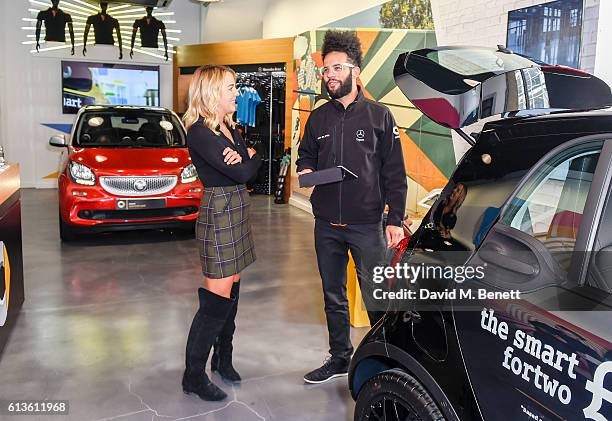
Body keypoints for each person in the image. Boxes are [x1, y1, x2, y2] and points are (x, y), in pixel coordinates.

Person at [297, 30, 407, 384]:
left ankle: (384, 362)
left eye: (337, 68)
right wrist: (307, 171)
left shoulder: (380, 117)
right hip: (326, 224)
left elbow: (394, 172)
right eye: (326, 69)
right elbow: (305, 159)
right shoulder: (318, 118)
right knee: (333, 296)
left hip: (367, 226)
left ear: (355, 71)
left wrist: (395, 219)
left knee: (375, 296)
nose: (329, 75)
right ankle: (339, 357)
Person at [182, 65, 261, 401]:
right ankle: (193, 377)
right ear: (213, 93)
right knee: (215, 301)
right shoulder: (200, 132)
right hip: (220, 212)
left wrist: (246, 158)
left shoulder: (228, 126)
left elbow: (244, 166)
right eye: (230, 87)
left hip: (237, 209)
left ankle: (223, 360)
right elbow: (245, 170)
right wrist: (249, 157)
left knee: (233, 292)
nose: (236, 93)